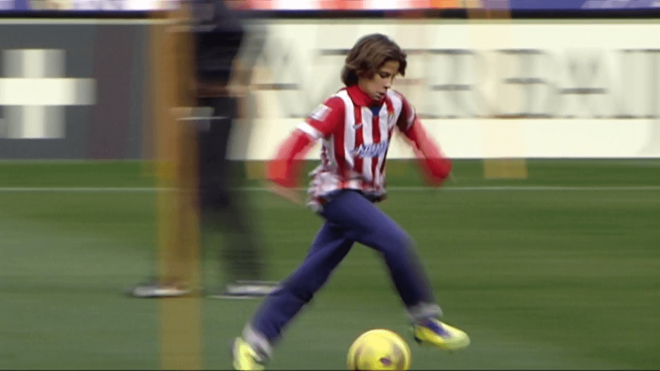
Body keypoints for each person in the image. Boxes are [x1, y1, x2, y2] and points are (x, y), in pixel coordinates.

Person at [230, 33, 470, 370]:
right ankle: (425, 321)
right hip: (337, 195)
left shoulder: (394, 105)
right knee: (396, 243)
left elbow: (414, 130)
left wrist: (434, 163)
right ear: (362, 70)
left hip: (365, 199)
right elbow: (302, 137)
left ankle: (253, 343)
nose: (388, 84)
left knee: (307, 280)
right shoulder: (339, 105)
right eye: (382, 75)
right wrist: (281, 171)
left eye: (392, 76)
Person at [128, 0, 277, 299]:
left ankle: (177, 277)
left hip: (217, 105)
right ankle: (247, 274)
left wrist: (236, 80)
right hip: (203, 106)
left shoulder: (211, 13)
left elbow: (249, 36)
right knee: (219, 191)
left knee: (203, 191)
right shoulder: (198, 11)